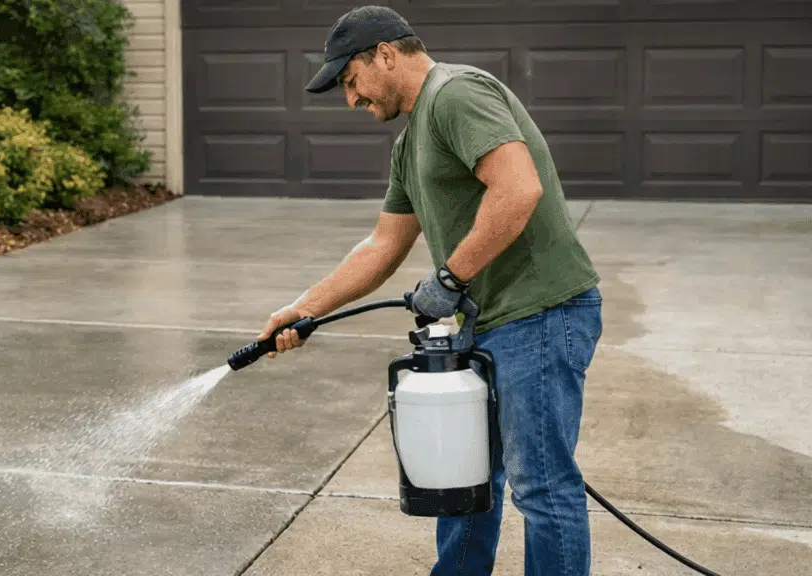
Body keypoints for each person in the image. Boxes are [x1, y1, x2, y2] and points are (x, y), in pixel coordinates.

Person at [255, 5, 604, 576]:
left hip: (541, 313)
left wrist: (449, 277)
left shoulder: (456, 95)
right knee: (462, 474)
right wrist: (303, 309)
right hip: (488, 320)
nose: (351, 100)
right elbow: (382, 247)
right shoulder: (410, 140)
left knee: (542, 486)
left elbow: (518, 190)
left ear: (386, 55)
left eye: (351, 81)